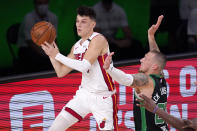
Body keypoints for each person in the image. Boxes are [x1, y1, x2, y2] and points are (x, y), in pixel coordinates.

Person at [41, 6, 118, 130]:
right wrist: (51, 54)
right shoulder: (76, 46)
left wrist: (57, 55)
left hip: (103, 98)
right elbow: (61, 72)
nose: (79, 25)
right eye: (77, 21)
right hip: (84, 95)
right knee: (55, 128)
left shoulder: (98, 39)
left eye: (83, 22)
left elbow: (84, 66)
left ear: (93, 24)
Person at [103, 15, 169, 131]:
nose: (141, 60)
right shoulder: (160, 77)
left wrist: (110, 69)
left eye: (145, 59)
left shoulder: (146, 80)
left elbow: (127, 79)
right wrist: (151, 36)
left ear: (153, 66)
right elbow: (157, 57)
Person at [17, 0, 58, 73]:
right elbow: (30, 42)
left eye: (45, 3)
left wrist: (54, 52)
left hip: (45, 47)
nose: (43, 6)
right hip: (27, 48)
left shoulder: (53, 17)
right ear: (35, 4)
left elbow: (54, 39)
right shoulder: (28, 18)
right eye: (40, 3)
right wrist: (45, 54)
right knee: (38, 60)